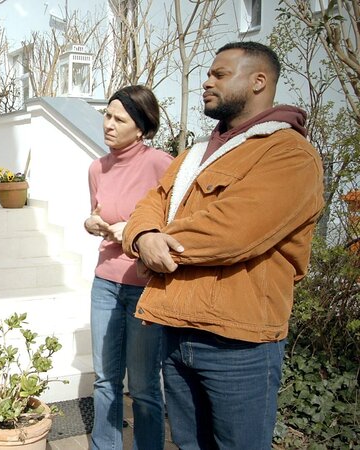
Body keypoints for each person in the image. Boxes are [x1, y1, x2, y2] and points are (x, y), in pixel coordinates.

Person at [123, 41, 324, 449]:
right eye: (209, 74)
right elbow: (150, 204)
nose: (206, 82)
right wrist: (143, 236)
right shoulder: (196, 153)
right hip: (177, 331)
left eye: (219, 74)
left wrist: (160, 244)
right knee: (189, 444)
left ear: (258, 81)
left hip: (238, 343)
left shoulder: (289, 154)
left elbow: (233, 232)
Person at [84, 85, 173, 449]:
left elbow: (175, 224)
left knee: (143, 384)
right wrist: (90, 223)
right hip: (105, 283)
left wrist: (136, 232)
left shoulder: (161, 164)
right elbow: (98, 212)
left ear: (141, 127)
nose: (108, 124)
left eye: (119, 119)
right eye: (107, 115)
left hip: (145, 287)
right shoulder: (96, 168)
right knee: (105, 379)